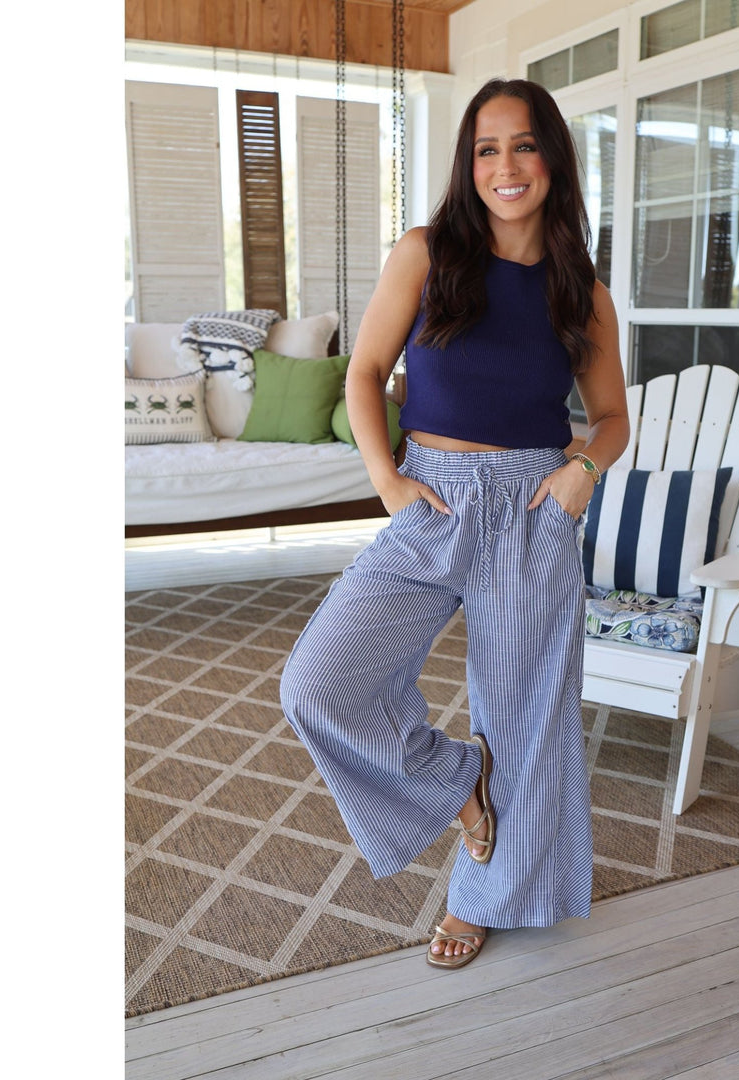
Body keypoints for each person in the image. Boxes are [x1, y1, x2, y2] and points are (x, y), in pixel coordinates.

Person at [279, 77, 629, 970]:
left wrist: (584, 470)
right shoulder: (427, 253)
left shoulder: (583, 292)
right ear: (469, 164)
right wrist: (387, 479)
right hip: (430, 499)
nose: (506, 166)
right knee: (319, 684)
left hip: (532, 508)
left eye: (524, 145)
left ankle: (481, 897)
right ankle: (457, 781)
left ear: (553, 159)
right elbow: (365, 373)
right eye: (486, 149)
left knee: (524, 716)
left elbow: (611, 417)